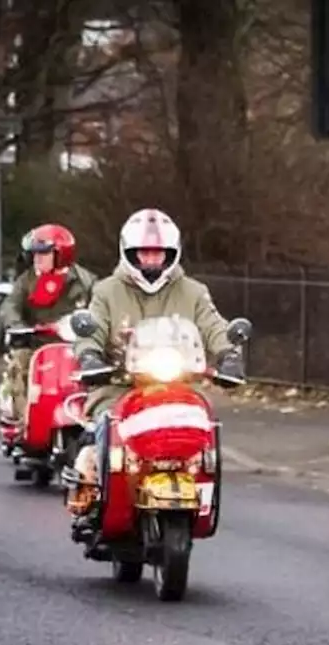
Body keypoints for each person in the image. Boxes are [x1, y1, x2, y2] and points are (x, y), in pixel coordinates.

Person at [64, 208, 245, 523]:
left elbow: (214, 325)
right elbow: (91, 328)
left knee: (203, 421)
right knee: (105, 424)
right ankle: (97, 497)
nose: (151, 260)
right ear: (129, 253)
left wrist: (229, 354)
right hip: (119, 385)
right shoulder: (107, 291)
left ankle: (201, 495)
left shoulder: (193, 292)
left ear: (172, 254)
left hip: (177, 386)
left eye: (158, 254)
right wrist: (90, 355)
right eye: (144, 253)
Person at [0, 224, 99, 434]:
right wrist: (18, 326)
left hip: (75, 344)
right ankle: (22, 420)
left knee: (96, 369)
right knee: (20, 363)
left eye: (43, 253)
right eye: (35, 254)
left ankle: (92, 418)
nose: (37, 258)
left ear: (61, 255)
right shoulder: (26, 280)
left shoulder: (85, 281)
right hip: (36, 344)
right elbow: (10, 306)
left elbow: (100, 307)